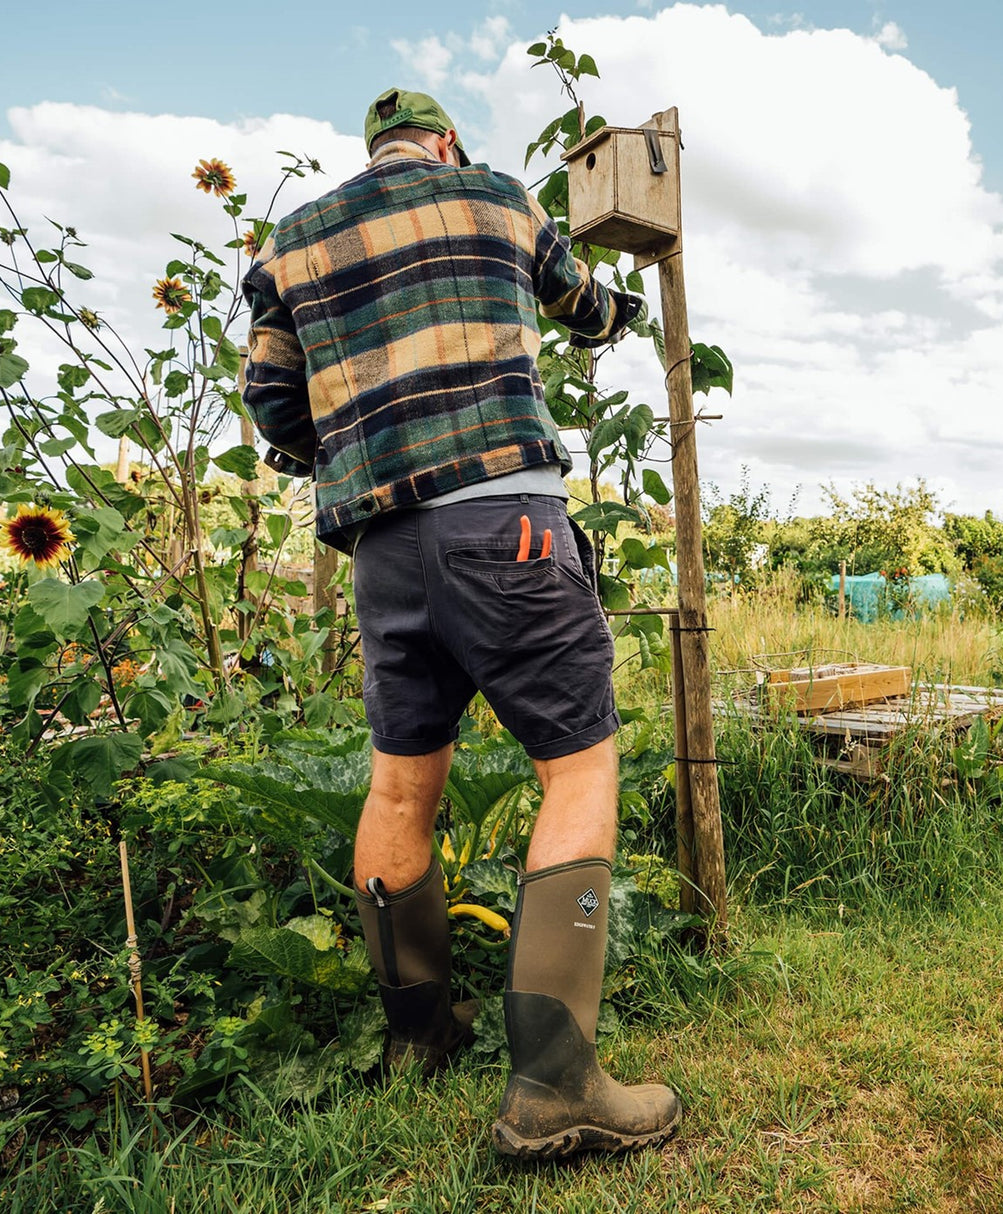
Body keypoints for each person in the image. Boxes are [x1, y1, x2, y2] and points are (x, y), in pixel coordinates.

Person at [242, 88, 680, 1159]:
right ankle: (554, 1083)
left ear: (372, 151)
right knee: (575, 770)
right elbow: (579, 305)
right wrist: (627, 315)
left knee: (399, 787)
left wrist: (349, 455)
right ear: (443, 144)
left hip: (383, 550)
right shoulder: (495, 196)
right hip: (505, 523)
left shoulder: (290, 242)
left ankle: (418, 1035)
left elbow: (271, 403)